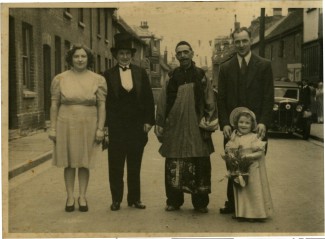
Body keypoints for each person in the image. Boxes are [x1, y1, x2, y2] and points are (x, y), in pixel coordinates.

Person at [155, 41, 218, 213]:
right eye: (179, 53)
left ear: (192, 53)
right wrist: (160, 123)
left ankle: (200, 202)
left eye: (185, 52)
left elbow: (210, 101)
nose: (182, 55)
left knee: (200, 162)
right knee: (174, 162)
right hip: (175, 127)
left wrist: (208, 122)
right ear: (176, 56)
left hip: (197, 127)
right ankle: (174, 201)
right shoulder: (171, 76)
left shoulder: (201, 75)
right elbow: (162, 101)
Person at [217, 27, 274, 214]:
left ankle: (255, 206)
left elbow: (268, 97)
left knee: (253, 165)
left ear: (251, 41)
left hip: (256, 129)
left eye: (244, 41)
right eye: (237, 42)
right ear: (233, 43)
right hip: (233, 129)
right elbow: (221, 99)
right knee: (233, 163)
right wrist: (225, 123)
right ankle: (233, 204)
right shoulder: (225, 68)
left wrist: (264, 122)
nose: (241, 45)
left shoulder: (264, 65)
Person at [49, 44, 107, 212]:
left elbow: (102, 106)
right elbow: (54, 104)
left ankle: (82, 196)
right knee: (69, 162)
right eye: (76, 56)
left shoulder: (98, 79)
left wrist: (100, 129)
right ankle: (69, 196)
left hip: (89, 122)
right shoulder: (60, 79)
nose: (80, 59)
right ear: (70, 59)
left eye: (83, 56)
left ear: (88, 59)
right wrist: (52, 128)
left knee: (84, 162)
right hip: (65, 121)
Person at [103, 33, 155, 211]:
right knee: (115, 165)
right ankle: (116, 199)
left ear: (131, 55)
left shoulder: (140, 73)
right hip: (117, 127)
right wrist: (106, 128)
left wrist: (149, 121)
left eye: (127, 53)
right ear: (115, 55)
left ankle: (135, 198)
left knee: (135, 165)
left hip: (136, 127)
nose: (124, 56)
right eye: (121, 53)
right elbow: (104, 103)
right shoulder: (107, 75)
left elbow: (148, 99)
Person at [224, 107, 273, 222]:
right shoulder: (234, 136)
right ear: (236, 124)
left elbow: (260, 153)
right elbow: (229, 147)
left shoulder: (254, 137)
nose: (243, 125)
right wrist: (231, 155)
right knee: (241, 190)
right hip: (240, 168)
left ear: (252, 125)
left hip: (253, 169)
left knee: (253, 190)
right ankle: (242, 213)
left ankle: (255, 214)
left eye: (247, 123)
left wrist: (247, 157)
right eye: (241, 122)